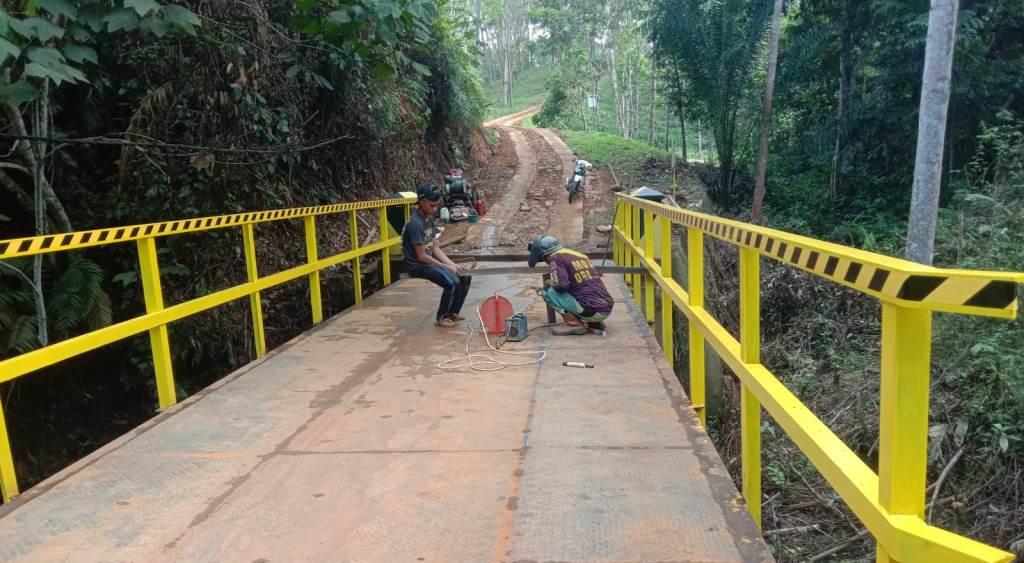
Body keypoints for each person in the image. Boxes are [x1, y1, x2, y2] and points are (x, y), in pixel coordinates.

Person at [403, 184, 472, 327]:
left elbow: (435, 248)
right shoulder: (415, 224)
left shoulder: (429, 220)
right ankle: (442, 318)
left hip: (428, 261)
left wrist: (452, 265)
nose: (435, 209)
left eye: (436, 206)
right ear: (421, 202)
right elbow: (421, 256)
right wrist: (446, 267)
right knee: (451, 282)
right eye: (431, 205)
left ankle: (452, 313)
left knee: (464, 276)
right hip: (418, 265)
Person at [527, 234, 613, 335]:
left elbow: (562, 286)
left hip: (592, 311)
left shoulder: (555, 258)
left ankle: (575, 325)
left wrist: (549, 284)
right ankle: (595, 323)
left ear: (544, 254)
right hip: (606, 308)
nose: (546, 263)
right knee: (583, 290)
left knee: (548, 291)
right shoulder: (578, 255)